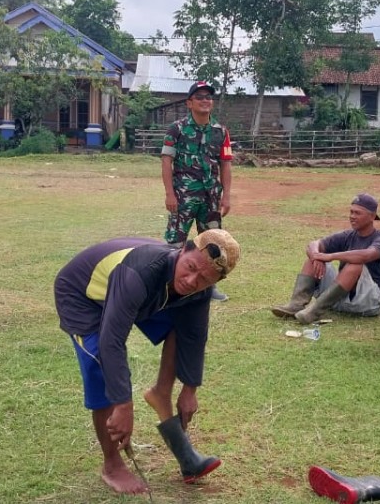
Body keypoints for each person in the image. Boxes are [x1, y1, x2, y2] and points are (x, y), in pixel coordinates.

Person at [55, 229, 240, 495]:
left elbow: (194, 335)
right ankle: (112, 465)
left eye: (203, 280)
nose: (191, 281)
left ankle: (160, 393)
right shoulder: (140, 272)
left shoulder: (198, 289)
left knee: (180, 327)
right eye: (189, 268)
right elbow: (111, 342)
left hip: (142, 297)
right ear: (184, 249)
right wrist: (123, 404)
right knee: (101, 366)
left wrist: (190, 389)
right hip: (82, 295)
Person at [270, 193, 380, 325]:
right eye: (351, 212)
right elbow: (314, 244)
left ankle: (314, 312)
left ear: (372, 216)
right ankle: (296, 305)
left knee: (355, 264)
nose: (352, 216)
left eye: (357, 213)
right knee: (313, 259)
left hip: (369, 303)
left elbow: (365, 255)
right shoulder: (347, 235)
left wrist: (329, 256)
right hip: (340, 300)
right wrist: (317, 256)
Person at [162, 80, 234, 301]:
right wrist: (169, 194)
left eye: (208, 97)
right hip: (183, 197)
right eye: (200, 97)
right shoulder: (177, 129)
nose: (205, 101)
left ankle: (209, 287)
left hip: (211, 197)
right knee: (175, 242)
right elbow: (166, 161)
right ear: (189, 103)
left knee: (213, 244)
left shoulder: (221, 132)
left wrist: (227, 196)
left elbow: (226, 164)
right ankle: (167, 285)